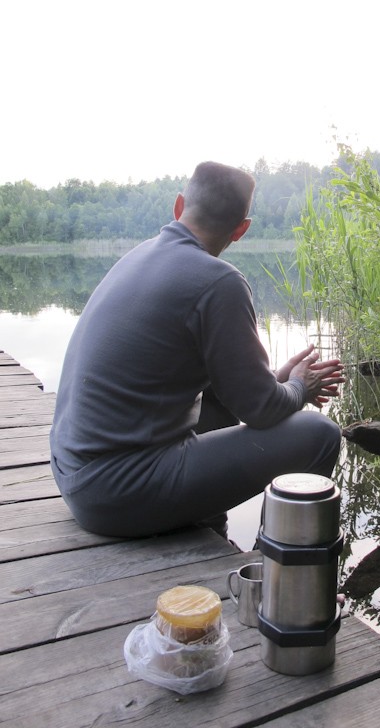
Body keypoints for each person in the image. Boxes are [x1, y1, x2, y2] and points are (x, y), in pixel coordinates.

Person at [49, 161, 344, 540]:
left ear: (178, 206)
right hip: (115, 494)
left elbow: (242, 397)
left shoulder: (138, 257)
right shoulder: (219, 282)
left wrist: (279, 380)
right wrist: (300, 389)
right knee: (320, 433)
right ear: (241, 230)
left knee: (216, 398)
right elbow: (261, 410)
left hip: (74, 475)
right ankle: (276, 567)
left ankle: (207, 525)